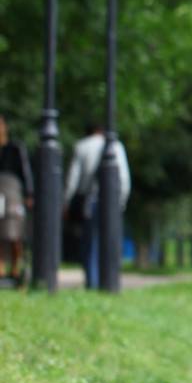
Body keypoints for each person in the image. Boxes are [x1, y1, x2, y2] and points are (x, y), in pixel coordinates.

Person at [64, 121, 132, 288]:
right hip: (112, 202)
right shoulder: (116, 146)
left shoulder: (82, 146)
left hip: (91, 200)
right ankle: (111, 280)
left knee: (91, 243)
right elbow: (124, 179)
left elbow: (73, 179)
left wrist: (66, 202)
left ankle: (92, 282)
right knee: (111, 241)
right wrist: (121, 202)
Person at [0, 112, 34, 286]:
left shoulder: (15, 148)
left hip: (12, 193)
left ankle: (15, 266)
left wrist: (29, 194)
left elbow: (25, 172)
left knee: (14, 231)